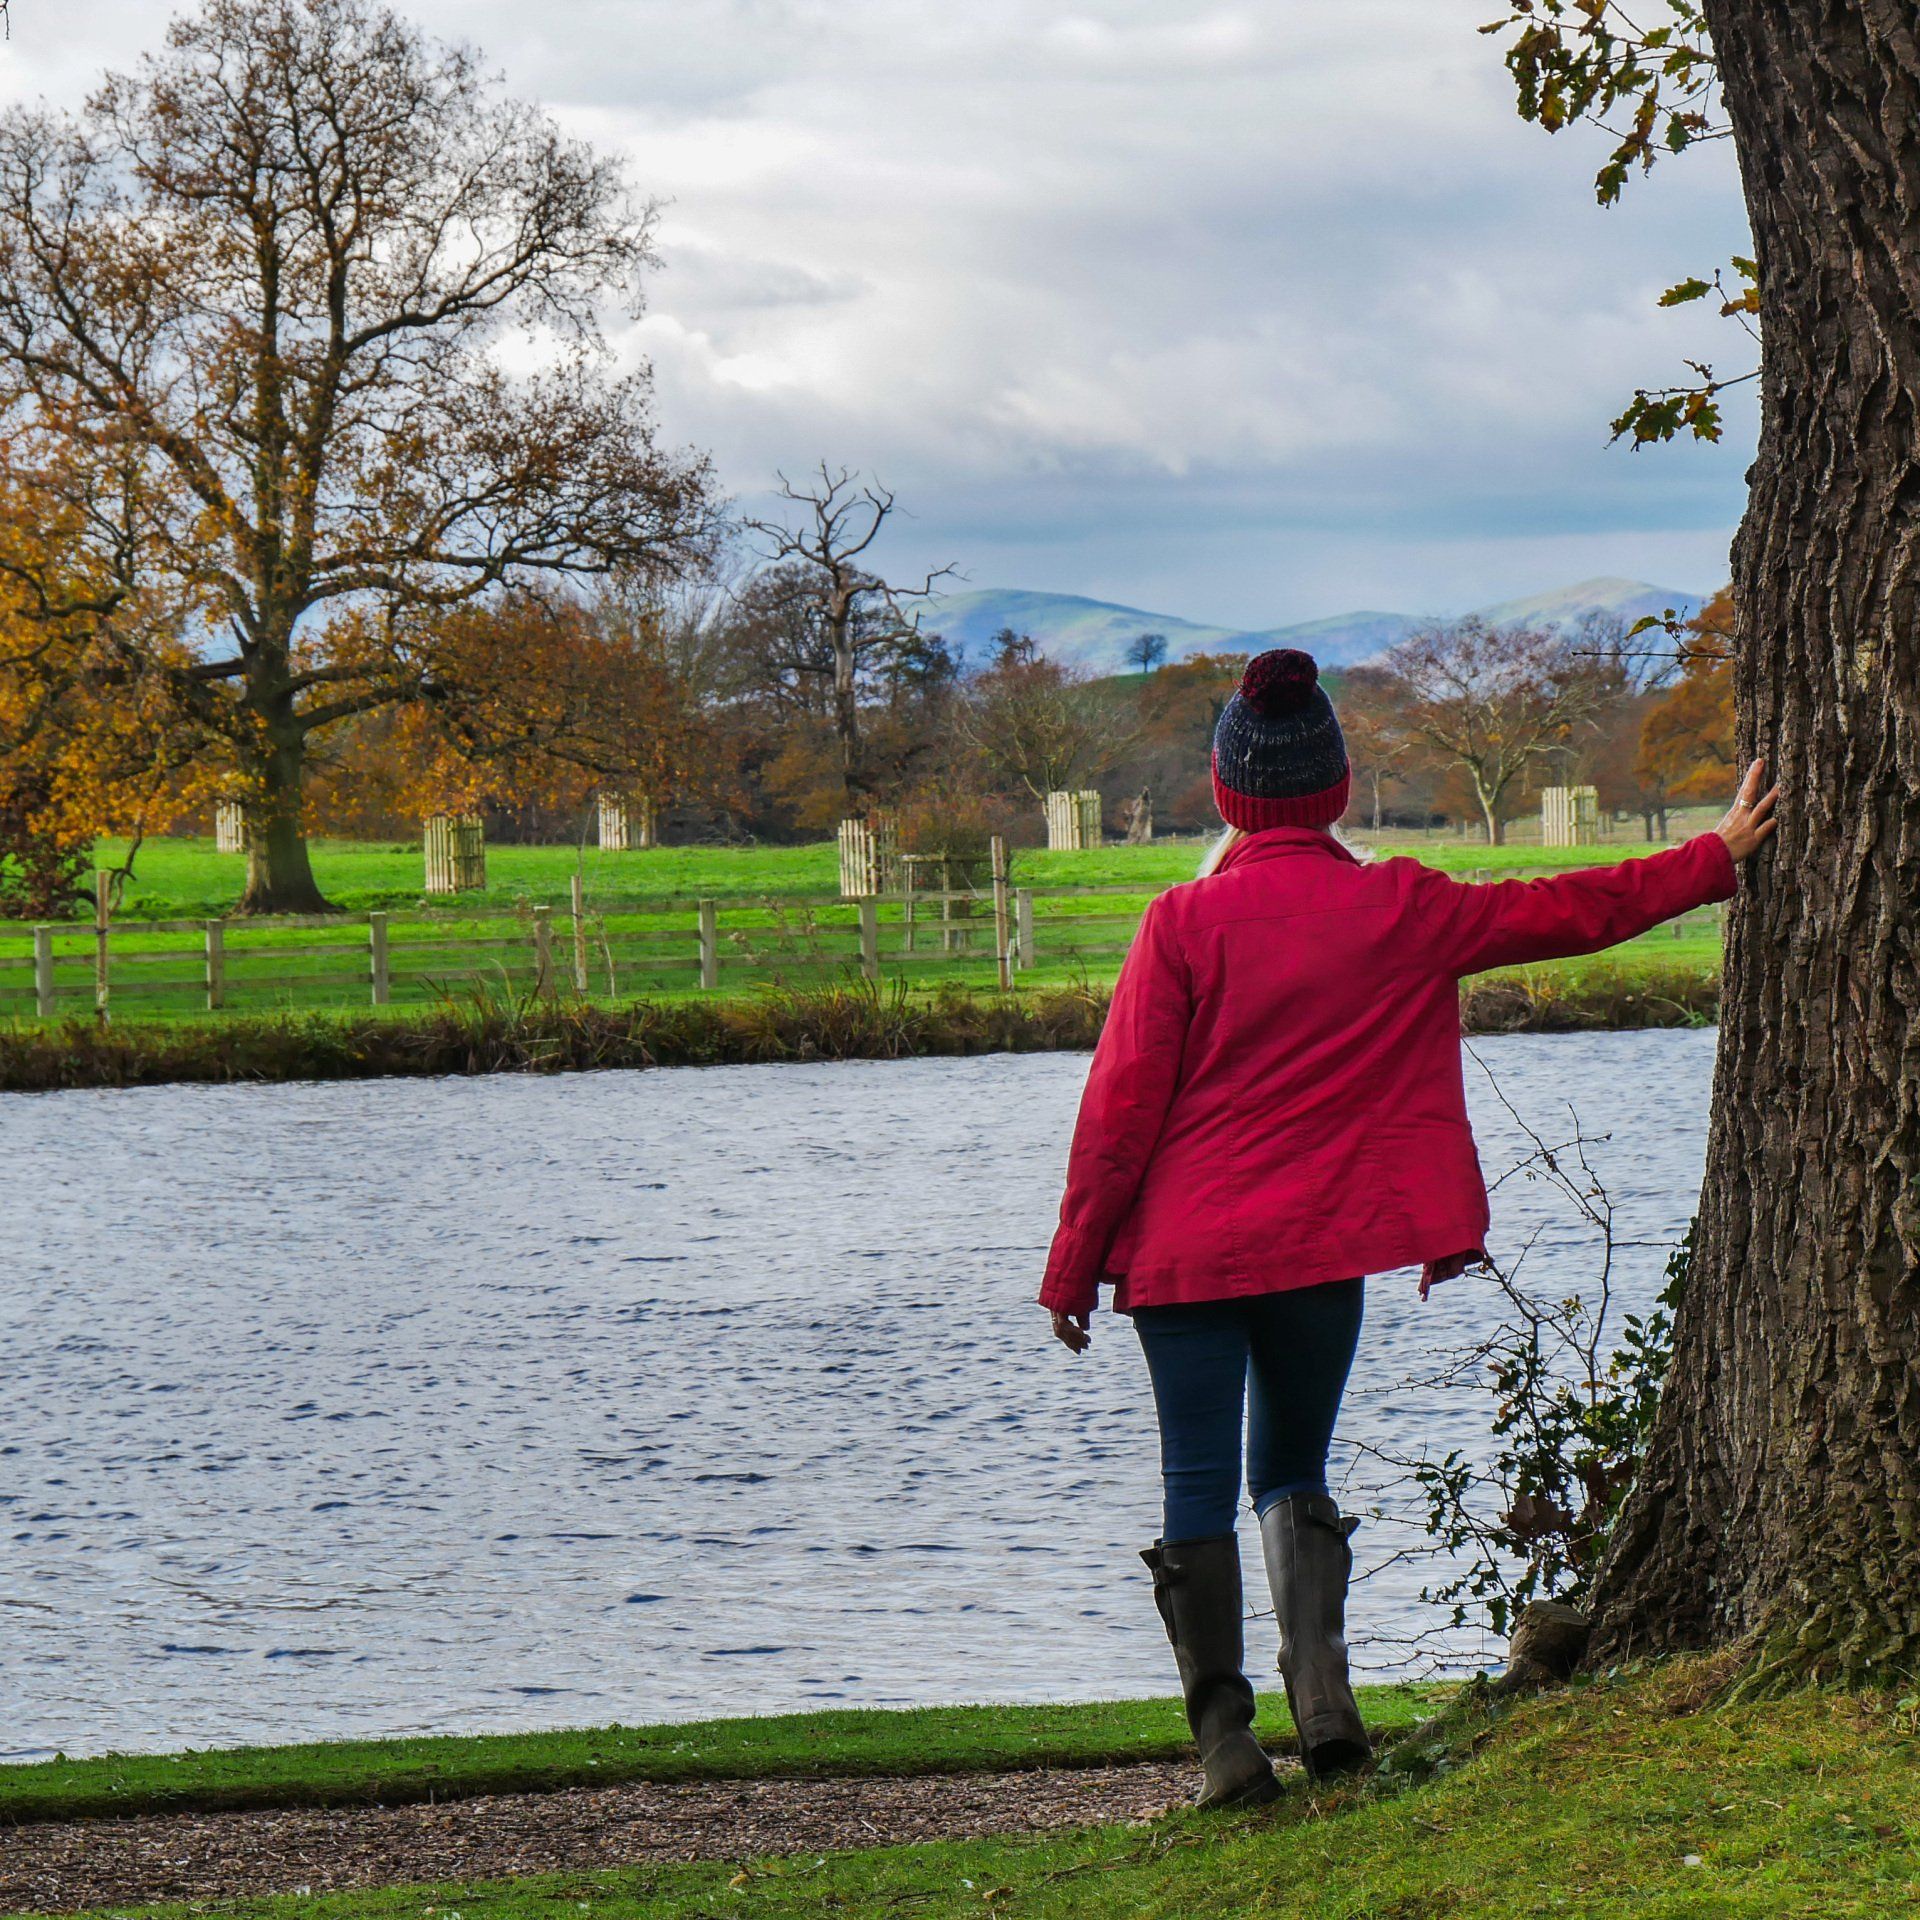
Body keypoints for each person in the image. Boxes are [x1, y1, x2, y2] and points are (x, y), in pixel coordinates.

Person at [1037, 648, 1777, 1807]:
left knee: (1195, 1485)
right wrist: (1708, 860)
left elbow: (1118, 1115)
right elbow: (1564, 911)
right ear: (1330, 789)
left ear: (1233, 793)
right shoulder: (1400, 905)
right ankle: (1326, 1708)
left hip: (1184, 1257)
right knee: (1290, 1468)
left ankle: (1227, 1749)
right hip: (1317, 1249)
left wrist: (1073, 1269)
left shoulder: (1179, 923)